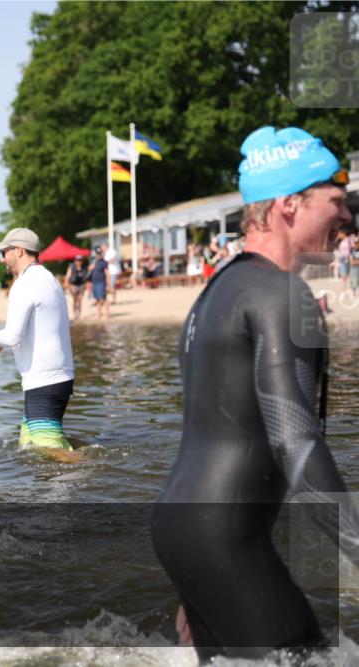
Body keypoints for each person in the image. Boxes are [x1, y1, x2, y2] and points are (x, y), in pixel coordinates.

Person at [152, 126, 358, 661]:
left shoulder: (215, 292)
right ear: (291, 204)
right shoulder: (282, 294)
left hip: (183, 527)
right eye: (335, 201)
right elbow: (298, 447)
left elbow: (212, 434)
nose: (347, 215)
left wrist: (197, 575)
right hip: (222, 539)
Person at [0, 227, 75, 450]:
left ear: (18, 250)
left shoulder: (25, 283)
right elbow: (25, 338)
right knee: (28, 445)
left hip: (44, 382)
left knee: (51, 452)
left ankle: (95, 468)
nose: (2, 260)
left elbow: (11, 336)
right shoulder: (48, 278)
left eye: (3, 253)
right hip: (55, 380)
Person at [87, 247, 109, 319]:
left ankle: (107, 315)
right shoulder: (94, 262)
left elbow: (107, 273)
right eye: (97, 254)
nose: (99, 255)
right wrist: (91, 267)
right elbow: (89, 269)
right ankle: (99, 315)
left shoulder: (104, 262)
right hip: (94, 283)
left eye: (100, 254)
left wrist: (107, 284)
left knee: (104, 299)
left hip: (101, 282)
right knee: (97, 299)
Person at [63, 254, 88, 320]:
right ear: (75, 260)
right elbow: (67, 276)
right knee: (75, 300)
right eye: (78, 260)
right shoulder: (71, 267)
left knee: (80, 300)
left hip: (81, 285)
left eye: (80, 260)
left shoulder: (84, 267)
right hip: (74, 285)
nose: (79, 261)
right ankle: (75, 314)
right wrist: (67, 285)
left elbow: (86, 277)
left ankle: (78, 314)